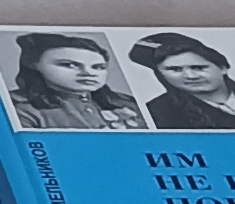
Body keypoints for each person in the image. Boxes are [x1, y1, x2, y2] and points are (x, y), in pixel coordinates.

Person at [131, 34, 235, 130]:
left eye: (198, 68)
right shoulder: (154, 113)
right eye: (175, 70)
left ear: (223, 67)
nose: (190, 76)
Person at [8, 34, 144, 132]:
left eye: (98, 67)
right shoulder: (18, 107)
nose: (88, 73)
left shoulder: (129, 104)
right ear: (34, 64)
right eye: (69, 65)